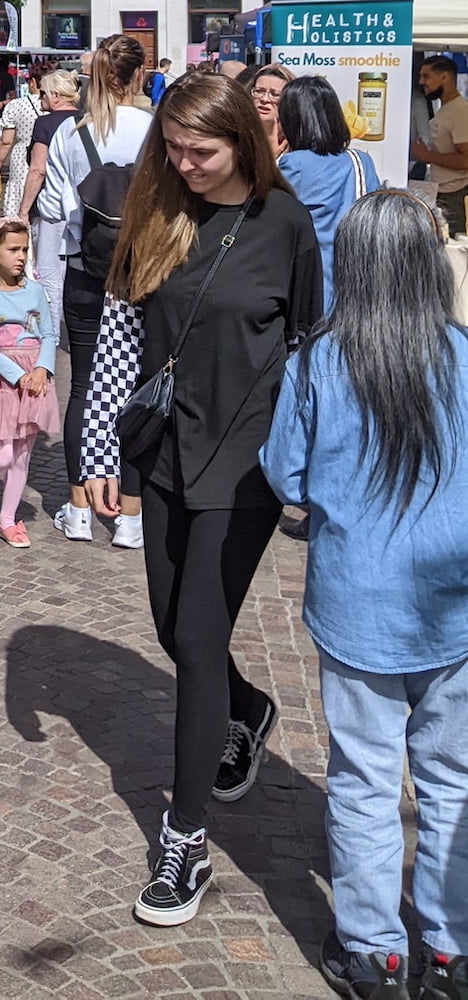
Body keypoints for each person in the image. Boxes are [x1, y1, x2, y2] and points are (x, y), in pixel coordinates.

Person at [81, 72, 323, 928]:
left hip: (246, 465)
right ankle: (246, 708)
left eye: (203, 151)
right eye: (174, 148)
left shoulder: (285, 225)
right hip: (166, 451)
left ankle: (185, 839)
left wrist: (313, 471)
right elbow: (116, 334)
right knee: (167, 623)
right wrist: (97, 444)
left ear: (244, 144)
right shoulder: (156, 213)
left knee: (194, 633)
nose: (185, 163)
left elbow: (310, 346)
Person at [260, 190, 468, 1000]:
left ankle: (376, 954)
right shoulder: (462, 354)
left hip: (358, 604)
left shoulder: (321, 360)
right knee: (451, 780)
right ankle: (451, 952)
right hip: (453, 603)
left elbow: (287, 475)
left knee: (364, 779)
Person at [41, 34, 152, 547]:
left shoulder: (70, 133)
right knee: (135, 387)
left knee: (84, 385)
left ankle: (80, 506)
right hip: (143, 273)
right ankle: (130, 514)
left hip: (86, 270)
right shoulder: (155, 131)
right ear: (138, 76)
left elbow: (59, 212)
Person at [0, 219, 59, 547]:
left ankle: (7, 518)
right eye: (13, 249)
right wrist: (18, 375)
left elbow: (48, 333)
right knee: (2, 455)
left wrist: (42, 369)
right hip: (5, 383)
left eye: (24, 249)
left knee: (21, 456)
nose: (21, 256)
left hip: (35, 381)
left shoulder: (35, 290)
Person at [275, 75, 380, 312]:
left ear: (292, 120)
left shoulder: (292, 165)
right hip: (360, 280)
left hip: (312, 284)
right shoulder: (361, 161)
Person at [15, 68, 81, 332]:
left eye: (42, 92)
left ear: (55, 96)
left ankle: (48, 333)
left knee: (49, 273)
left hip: (52, 208)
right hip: (80, 206)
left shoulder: (46, 123)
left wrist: (23, 210)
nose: (39, 97)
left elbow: (37, 169)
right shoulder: (87, 119)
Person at [413, 56, 468, 239]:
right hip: (443, 192)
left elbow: (466, 159)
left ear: (444, 77)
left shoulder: (460, 112)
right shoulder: (446, 109)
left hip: (456, 196)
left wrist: (426, 155)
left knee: (454, 254)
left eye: (426, 76)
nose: (421, 82)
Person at [0, 84, 39, 224]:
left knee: (19, 191)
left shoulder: (16, 105)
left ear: (32, 82)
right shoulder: (57, 106)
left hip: (22, 156)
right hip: (46, 155)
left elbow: (6, 142)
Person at [246, 64, 291, 158]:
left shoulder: (295, 145)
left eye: (275, 94)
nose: (265, 99)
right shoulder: (238, 137)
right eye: (259, 91)